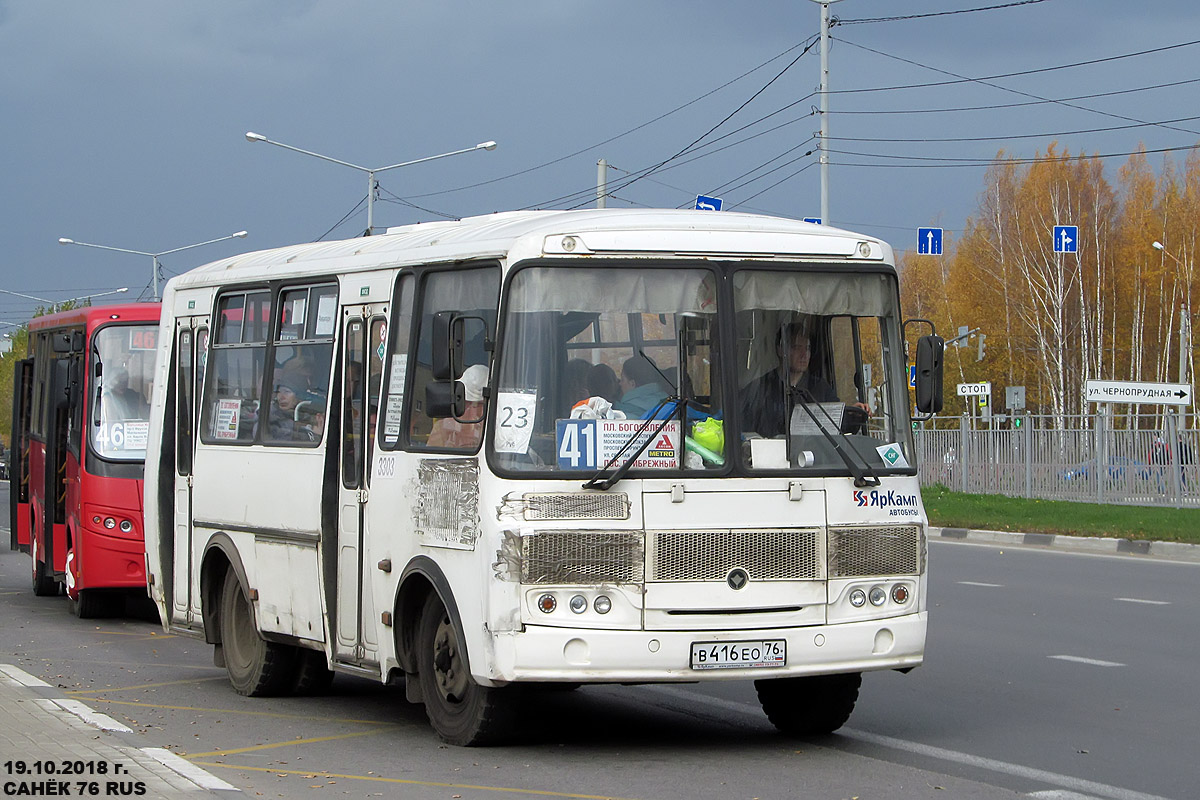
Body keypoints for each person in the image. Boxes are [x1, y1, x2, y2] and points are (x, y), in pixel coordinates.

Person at [740, 322, 839, 438]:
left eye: (807, 348)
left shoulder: (822, 389)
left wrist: (853, 414)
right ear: (781, 350)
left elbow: (836, 423)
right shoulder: (759, 389)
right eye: (797, 347)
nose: (804, 355)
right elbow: (744, 433)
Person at [428, 364, 488, 449]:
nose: (472, 411)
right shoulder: (445, 426)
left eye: (479, 405)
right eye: (468, 403)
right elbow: (431, 456)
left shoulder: (497, 428)